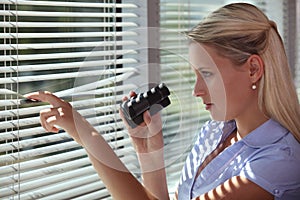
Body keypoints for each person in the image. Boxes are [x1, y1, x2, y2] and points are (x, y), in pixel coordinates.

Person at [25, 3, 300, 200]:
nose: (197, 91)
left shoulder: (277, 162)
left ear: (253, 69)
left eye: (207, 74)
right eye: (195, 75)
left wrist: (84, 132)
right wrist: (148, 150)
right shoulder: (214, 133)